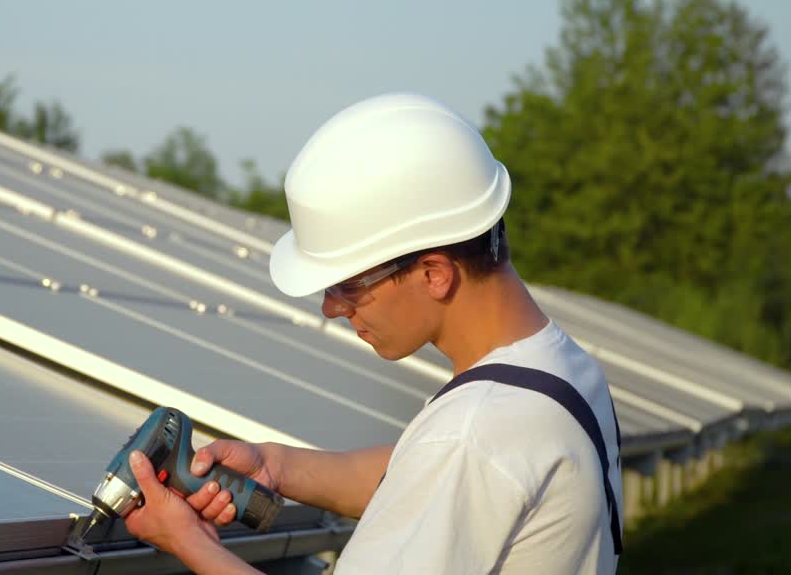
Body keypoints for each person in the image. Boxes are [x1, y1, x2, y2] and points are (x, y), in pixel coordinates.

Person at [123, 93, 623, 574]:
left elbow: (453, 464)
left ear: (434, 274)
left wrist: (187, 542)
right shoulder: (557, 370)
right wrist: (276, 467)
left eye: (348, 286)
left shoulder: (471, 432)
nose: (331, 308)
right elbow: (426, 481)